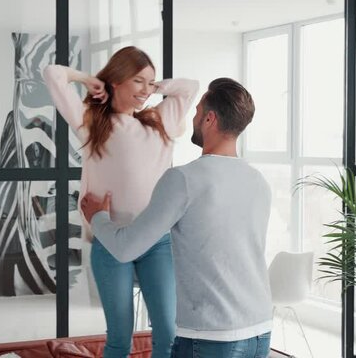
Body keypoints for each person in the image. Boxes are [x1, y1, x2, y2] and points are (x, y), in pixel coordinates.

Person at [81, 78, 273, 358]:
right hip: (260, 330)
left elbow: (126, 248)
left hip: (211, 337)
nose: (192, 117)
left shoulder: (183, 179)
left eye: (197, 111)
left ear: (209, 119)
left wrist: (97, 216)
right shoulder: (258, 181)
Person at [43, 47, 199, 358]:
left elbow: (190, 87)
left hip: (156, 241)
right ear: (117, 80)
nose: (146, 91)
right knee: (119, 339)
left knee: (168, 335)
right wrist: (88, 79)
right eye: (138, 81)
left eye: (150, 83)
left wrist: (158, 87)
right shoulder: (91, 122)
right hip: (111, 240)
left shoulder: (158, 120)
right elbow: (52, 74)